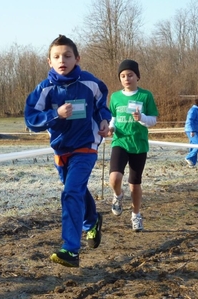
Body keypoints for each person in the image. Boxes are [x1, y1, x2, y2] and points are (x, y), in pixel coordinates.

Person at [24, 35, 111, 268]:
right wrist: (55, 115)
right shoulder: (45, 89)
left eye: (67, 55)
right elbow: (31, 120)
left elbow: (102, 104)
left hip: (86, 147)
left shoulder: (91, 83)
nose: (62, 60)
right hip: (61, 149)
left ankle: (71, 249)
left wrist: (104, 120)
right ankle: (92, 221)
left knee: (71, 192)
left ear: (77, 58)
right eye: (56, 56)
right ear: (49, 61)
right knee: (77, 190)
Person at [108, 59, 159, 232]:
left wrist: (142, 118)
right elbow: (113, 117)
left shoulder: (145, 96)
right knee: (114, 178)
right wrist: (110, 127)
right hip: (120, 141)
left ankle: (136, 215)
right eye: (123, 76)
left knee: (134, 185)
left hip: (138, 144)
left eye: (130, 75)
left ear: (137, 76)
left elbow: (153, 120)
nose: (126, 78)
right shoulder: (115, 97)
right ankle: (117, 196)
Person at [184, 98, 198, 167]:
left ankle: (192, 163)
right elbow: (190, 120)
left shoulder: (197, 111)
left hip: (195, 130)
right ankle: (188, 157)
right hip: (191, 130)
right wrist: (192, 130)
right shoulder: (193, 110)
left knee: (193, 147)